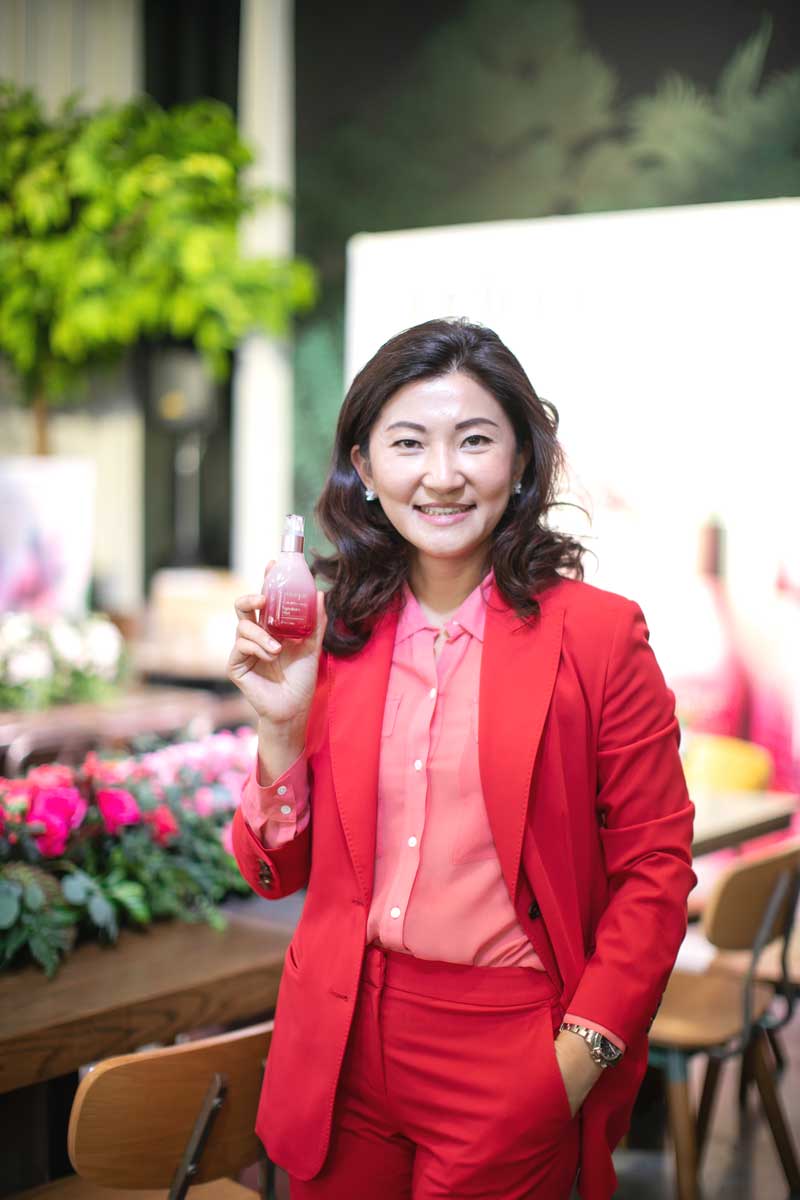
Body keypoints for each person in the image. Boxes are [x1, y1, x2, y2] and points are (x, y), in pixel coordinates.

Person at [227, 317, 696, 1200]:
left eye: (474, 440)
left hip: (511, 1044)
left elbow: (655, 870)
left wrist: (579, 1056)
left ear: (520, 462)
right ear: (365, 468)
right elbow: (274, 872)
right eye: (408, 443)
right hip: (339, 1050)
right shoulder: (334, 635)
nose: (441, 475)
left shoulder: (599, 637)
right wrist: (281, 733)